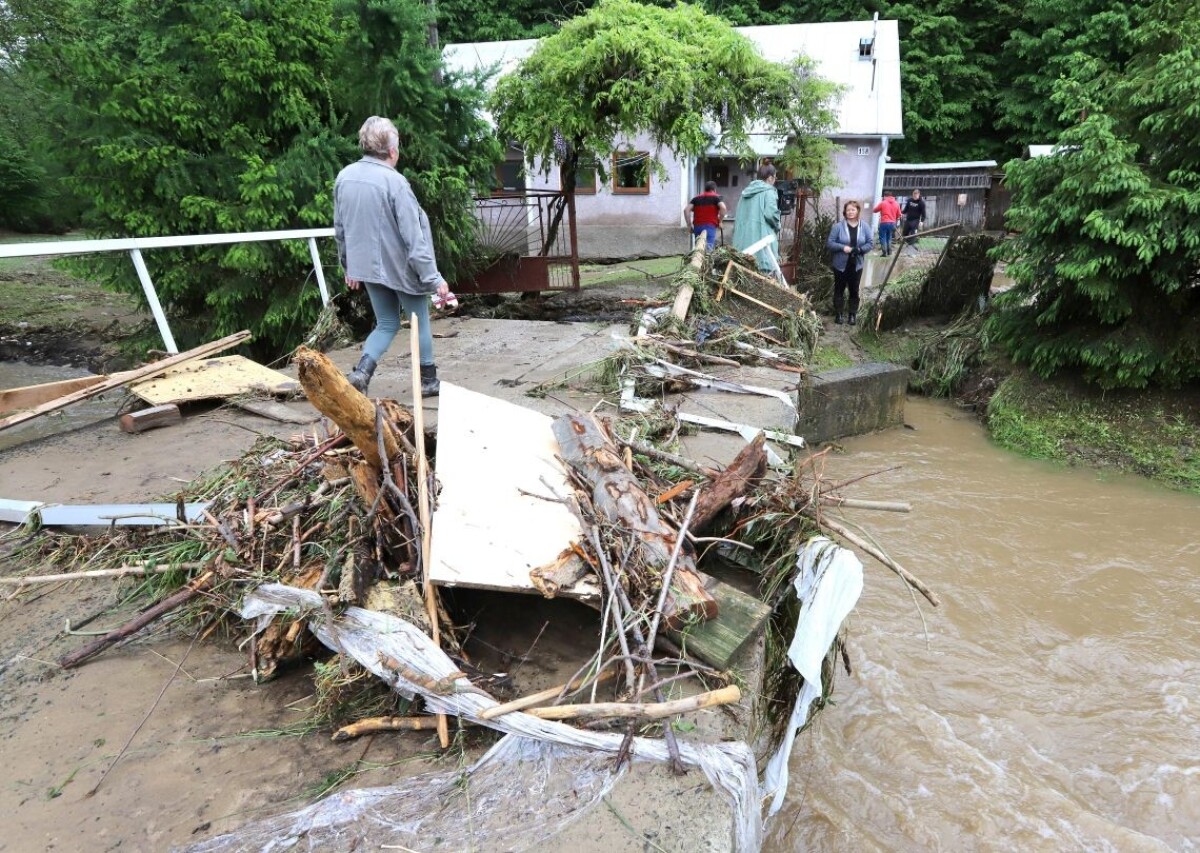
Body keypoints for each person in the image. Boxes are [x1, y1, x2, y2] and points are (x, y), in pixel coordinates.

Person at [334, 116, 451, 398]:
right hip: (401, 267)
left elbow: (340, 228)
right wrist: (434, 278)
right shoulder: (395, 182)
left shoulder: (344, 177)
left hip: (368, 269)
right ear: (393, 151)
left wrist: (349, 266)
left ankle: (362, 373)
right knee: (419, 319)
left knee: (386, 322)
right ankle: (428, 380)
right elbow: (414, 238)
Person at [825, 200, 874, 325]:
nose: (850, 212)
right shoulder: (838, 227)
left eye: (853, 209)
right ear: (845, 212)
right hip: (840, 264)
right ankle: (839, 314)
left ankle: (852, 315)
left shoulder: (865, 226)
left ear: (857, 211)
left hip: (856, 264)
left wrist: (861, 249)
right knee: (839, 289)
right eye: (848, 210)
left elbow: (870, 243)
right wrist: (843, 247)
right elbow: (830, 243)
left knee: (854, 290)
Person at [731, 164, 782, 275]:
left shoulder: (745, 193)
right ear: (770, 178)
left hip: (741, 248)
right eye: (775, 177)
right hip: (761, 250)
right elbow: (770, 214)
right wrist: (778, 225)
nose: (775, 180)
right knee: (763, 283)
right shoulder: (769, 192)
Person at [685, 181, 727, 250]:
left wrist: (689, 226)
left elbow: (686, 210)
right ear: (714, 189)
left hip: (697, 227)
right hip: (710, 226)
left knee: (699, 249)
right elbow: (723, 208)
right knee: (708, 250)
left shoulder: (696, 198)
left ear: (705, 189)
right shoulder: (716, 197)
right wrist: (720, 221)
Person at [872, 191, 902, 257]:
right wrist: (894, 218)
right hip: (892, 223)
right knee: (889, 237)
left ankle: (884, 252)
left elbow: (875, 210)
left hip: (884, 222)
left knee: (883, 237)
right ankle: (889, 251)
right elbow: (899, 214)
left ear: (885, 196)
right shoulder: (897, 203)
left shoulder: (883, 203)